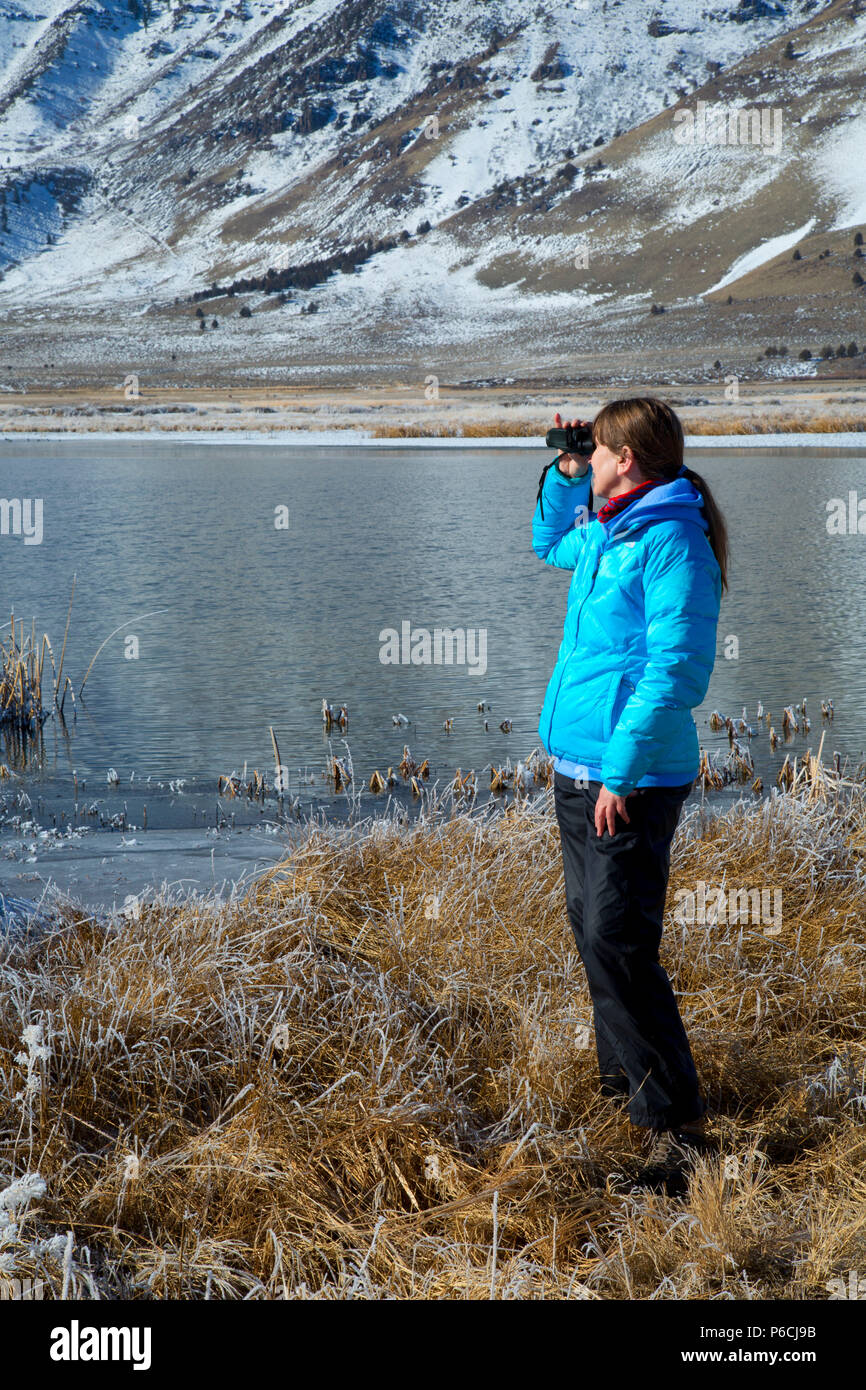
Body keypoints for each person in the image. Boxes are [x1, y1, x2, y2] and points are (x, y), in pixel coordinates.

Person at [532, 396, 728, 1194]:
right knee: (592, 931)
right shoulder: (609, 532)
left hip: (632, 780)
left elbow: (675, 671)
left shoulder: (672, 539)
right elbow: (548, 543)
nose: (593, 456)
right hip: (578, 771)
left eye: (600, 448)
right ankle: (628, 1091)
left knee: (619, 940)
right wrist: (562, 471)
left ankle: (681, 1135)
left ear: (631, 460)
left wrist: (619, 773)